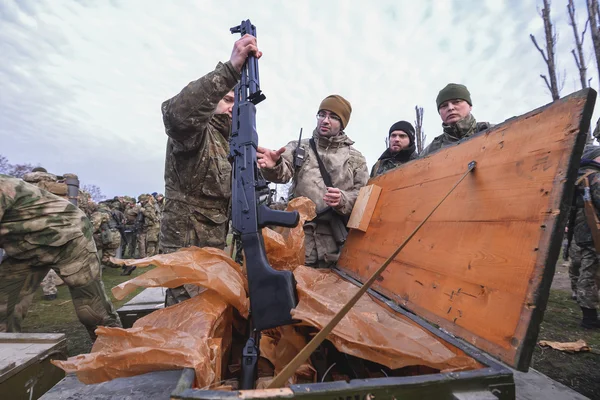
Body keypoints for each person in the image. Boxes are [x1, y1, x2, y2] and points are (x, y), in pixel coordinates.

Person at [159, 34, 261, 304]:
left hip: (214, 253)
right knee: (187, 332)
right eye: (226, 100)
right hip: (187, 258)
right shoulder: (196, 134)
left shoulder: (229, 144)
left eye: (235, 102)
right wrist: (229, 70)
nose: (232, 107)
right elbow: (175, 115)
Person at [0, 174, 121, 339]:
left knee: (92, 311)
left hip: (68, 236)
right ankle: (9, 359)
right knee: (4, 308)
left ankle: (115, 354)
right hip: (24, 247)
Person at [257, 95, 369, 268]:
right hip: (298, 236)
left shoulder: (356, 158)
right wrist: (274, 165)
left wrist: (343, 199)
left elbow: (363, 197)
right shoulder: (299, 147)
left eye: (333, 117)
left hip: (337, 241)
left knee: (332, 291)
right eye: (322, 115)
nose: (325, 120)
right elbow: (283, 172)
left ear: (342, 123)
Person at [420, 84, 491, 157]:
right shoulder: (429, 152)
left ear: (470, 106)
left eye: (456, 102)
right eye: (444, 105)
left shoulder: (493, 131)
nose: (450, 108)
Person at [573, 146, 600, 328]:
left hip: (582, 231)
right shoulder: (595, 177)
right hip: (595, 231)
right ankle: (589, 318)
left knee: (585, 268)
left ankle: (588, 315)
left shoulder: (577, 177)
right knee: (590, 272)